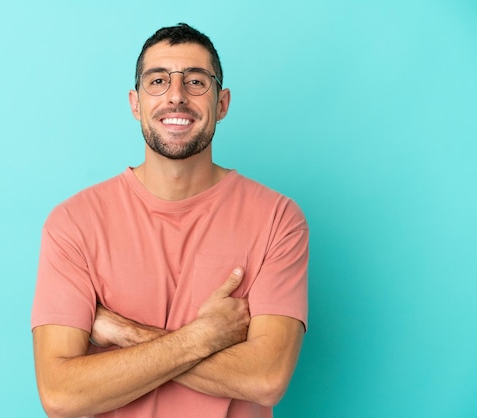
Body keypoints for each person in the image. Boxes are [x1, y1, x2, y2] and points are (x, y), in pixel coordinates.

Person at [31, 23, 309, 418]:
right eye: (158, 81)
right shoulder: (73, 223)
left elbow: (265, 379)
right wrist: (206, 338)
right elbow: (61, 395)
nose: (176, 96)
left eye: (196, 81)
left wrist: (124, 332)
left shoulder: (278, 219)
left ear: (223, 102)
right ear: (135, 103)